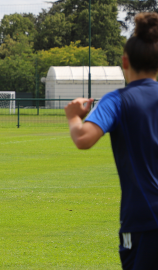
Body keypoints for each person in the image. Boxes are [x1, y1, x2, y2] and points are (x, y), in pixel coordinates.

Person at [64, 12, 158, 269]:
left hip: (144, 220)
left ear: (124, 61)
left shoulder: (117, 99)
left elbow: (83, 138)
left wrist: (74, 116)